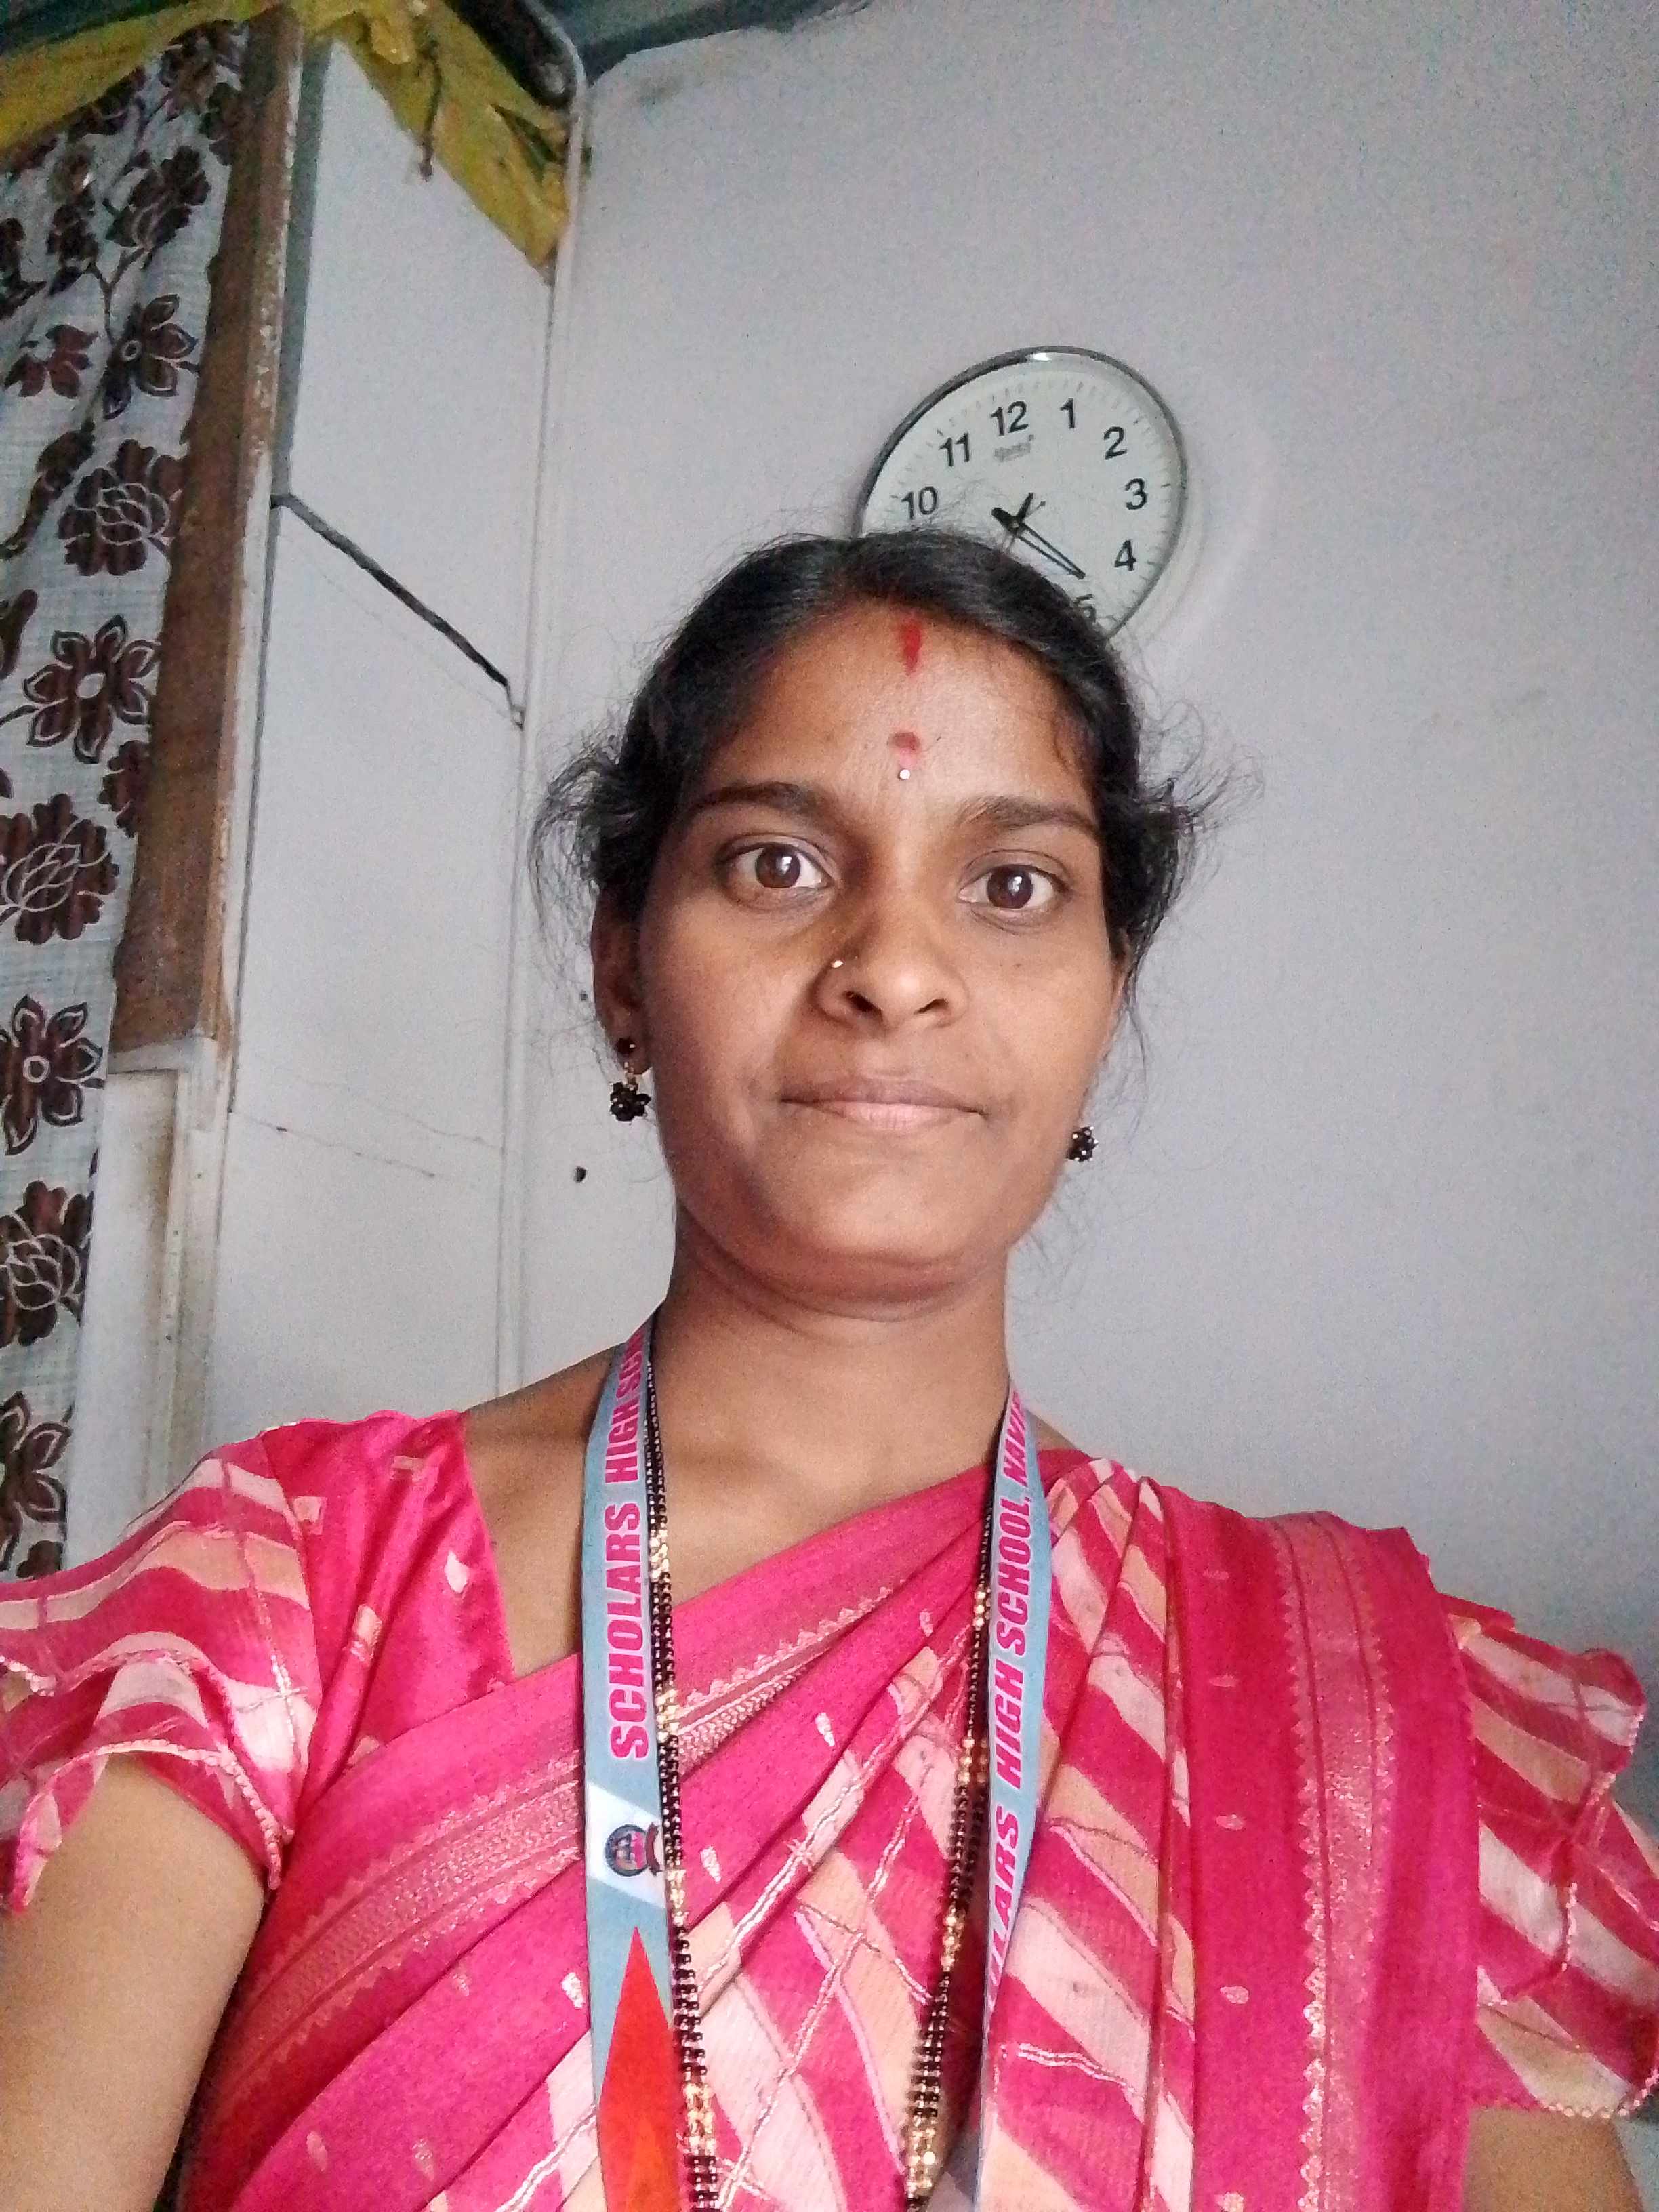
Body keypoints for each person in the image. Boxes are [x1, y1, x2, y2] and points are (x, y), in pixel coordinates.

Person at [1, 531, 1654, 2211]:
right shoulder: (287, 1592)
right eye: (778, 863)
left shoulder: (1383, 1733)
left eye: (1013, 886)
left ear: (1108, 998)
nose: (895, 968)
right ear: (624, 966)